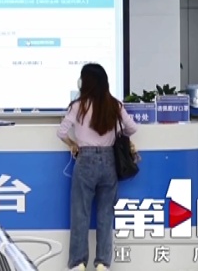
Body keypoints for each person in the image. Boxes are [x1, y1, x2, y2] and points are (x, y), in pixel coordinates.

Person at [57, 63, 138, 271]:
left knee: (80, 214)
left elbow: (61, 132)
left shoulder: (78, 106)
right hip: (109, 160)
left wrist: (72, 144)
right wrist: (120, 136)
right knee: (105, 215)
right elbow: (132, 127)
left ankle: (78, 263)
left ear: (84, 83)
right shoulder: (114, 105)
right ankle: (102, 263)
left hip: (85, 160)